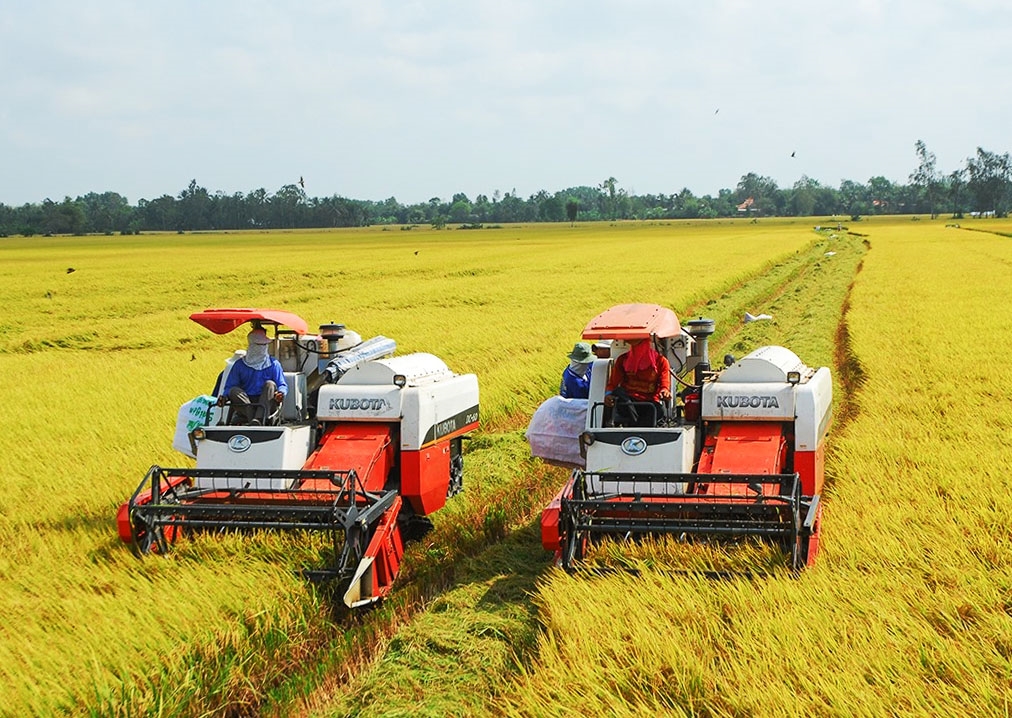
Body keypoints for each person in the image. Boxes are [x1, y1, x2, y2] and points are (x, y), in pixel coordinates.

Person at [218, 328, 287, 425]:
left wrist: (281, 393)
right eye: (260, 345)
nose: (263, 348)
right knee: (233, 391)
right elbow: (230, 386)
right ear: (252, 346)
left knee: (270, 384)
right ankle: (254, 420)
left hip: (266, 402)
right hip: (245, 402)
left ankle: (258, 419)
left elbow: (282, 384)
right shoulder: (239, 365)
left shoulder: (274, 364)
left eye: (265, 345)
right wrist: (224, 397)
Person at [604, 338, 671, 426]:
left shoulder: (661, 361)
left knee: (658, 410)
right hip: (627, 402)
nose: (637, 349)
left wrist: (664, 391)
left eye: (640, 345)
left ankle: (636, 425)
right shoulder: (623, 359)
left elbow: (664, 382)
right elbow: (613, 383)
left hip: (649, 402)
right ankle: (635, 424)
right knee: (618, 391)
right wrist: (608, 394)